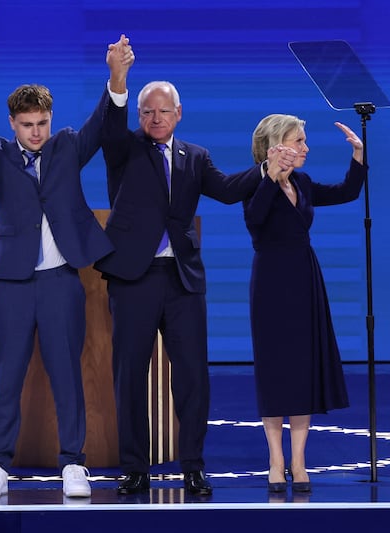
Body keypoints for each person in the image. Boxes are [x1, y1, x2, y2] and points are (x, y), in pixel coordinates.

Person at [0, 35, 135, 499]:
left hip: (61, 281)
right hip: (11, 282)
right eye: (26, 124)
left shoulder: (68, 146)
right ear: (12, 123)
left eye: (41, 123)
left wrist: (117, 77)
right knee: (6, 373)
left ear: (51, 120)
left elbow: (101, 121)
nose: (35, 131)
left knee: (67, 371)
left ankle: (74, 463)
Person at [96, 61, 284, 495]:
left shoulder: (195, 156)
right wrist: (118, 80)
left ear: (179, 113)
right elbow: (110, 123)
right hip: (133, 279)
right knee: (129, 376)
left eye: (163, 111)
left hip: (182, 280)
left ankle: (193, 466)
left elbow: (225, 190)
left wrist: (264, 171)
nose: (155, 118)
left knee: (193, 377)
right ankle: (135, 468)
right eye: (147, 112)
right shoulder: (122, 149)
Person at [243, 114, 365, 493]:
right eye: (299, 141)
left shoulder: (304, 183)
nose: (306, 148)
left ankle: (299, 460)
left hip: (304, 278)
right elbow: (254, 219)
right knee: (275, 369)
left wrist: (359, 154)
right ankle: (275, 460)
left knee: (301, 368)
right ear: (276, 146)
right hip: (271, 283)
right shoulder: (253, 184)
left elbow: (346, 191)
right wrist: (271, 178)